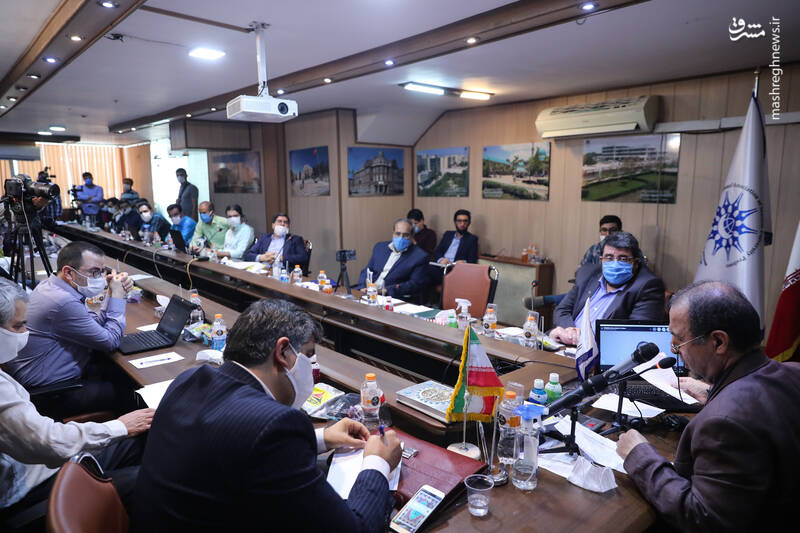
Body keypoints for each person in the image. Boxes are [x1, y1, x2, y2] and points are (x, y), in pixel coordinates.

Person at [131, 299, 401, 532]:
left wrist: (322, 437)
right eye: (308, 355)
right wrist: (377, 463)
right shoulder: (274, 426)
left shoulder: (189, 379)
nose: (312, 367)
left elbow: (236, 448)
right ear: (283, 352)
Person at [617, 281, 800, 532]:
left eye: (680, 339)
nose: (673, 348)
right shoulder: (793, 372)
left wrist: (640, 456)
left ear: (718, 342)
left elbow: (703, 518)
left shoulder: (725, 422)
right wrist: (714, 392)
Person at [0, 278, 154, 515]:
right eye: (18, 326)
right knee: (147, 479)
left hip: (34, 462)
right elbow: (48, 442)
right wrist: (120, 426)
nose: (25, 333)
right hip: (29, 485)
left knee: (138, 443)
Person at [4, 241, 143, 420]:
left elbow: (94, 325)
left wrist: (111, 292)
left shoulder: (52, 286)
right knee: (130, 391)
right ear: (69, 272)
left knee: (117, 371)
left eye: (102, 271)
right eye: (94, 272)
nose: (100, 277)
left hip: (46, 376)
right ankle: (134, 434)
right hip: (50, 392)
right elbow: (110, 341)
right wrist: (118, 296)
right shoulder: (62, 301)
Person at [550, 231, 664, 346]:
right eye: (609, 258)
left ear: (635, 263)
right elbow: (562, 310)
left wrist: (583, 339)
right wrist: (571, 333)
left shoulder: (648, 286)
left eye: (623, 259)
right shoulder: (587, 274)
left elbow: (634, 335)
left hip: (600, 352)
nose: (615, 264)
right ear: (601, 260)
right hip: (565, 345)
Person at [355, 218, 430, 298]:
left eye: (405, 235)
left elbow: (414, 284)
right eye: (398, 233)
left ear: (411, 236)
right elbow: (367, 271)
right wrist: (363, 287)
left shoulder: (420, 256)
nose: (401, 238)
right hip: (368, 293)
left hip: (391, 297)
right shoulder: (380, 247)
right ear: (393, 232)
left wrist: (384, 291)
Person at [243, 213, 308, 267]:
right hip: (263, 269)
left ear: (288, 226)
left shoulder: (295, 239)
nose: (282, 224)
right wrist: (262, 257)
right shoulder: (264, 238)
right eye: (279, 221)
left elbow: (303, 258)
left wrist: (279, 257)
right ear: (273, 225)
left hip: (283, 271)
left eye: (285, 222)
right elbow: (247, 255)